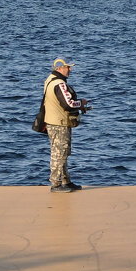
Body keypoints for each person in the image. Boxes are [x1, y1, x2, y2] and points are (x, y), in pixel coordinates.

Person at [42, 57, 90, 193]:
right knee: (59, 154)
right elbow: (68, 104)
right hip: (59, 124)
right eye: (67, 67)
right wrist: (81, 103)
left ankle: (65, 181)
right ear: (59, 68)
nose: (70, 69)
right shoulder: (60, 84)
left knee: (62, 152)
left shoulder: (49, 80)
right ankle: (56, 184)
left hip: (53, 122)